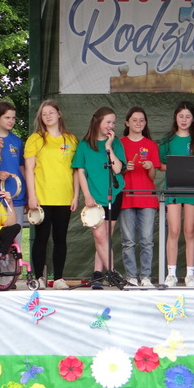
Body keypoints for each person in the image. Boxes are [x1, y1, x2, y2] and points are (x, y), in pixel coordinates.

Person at [25, 100, 79, 290]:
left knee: (60, 238)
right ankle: (39, 277)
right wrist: (32, 196)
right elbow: (29, 169)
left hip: (64, 197)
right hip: (42, 197)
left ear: (59, 114)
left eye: (51, 112)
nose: (48, 116)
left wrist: (76, 195)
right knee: (41, 238)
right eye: (44, 113)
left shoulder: (71, 140)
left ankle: (58, 278)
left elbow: (76, 170)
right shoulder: (35, 139)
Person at [73, 107, 125, 290]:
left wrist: (109, 147)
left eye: (113, 122)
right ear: (98, 122)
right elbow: (80, 171)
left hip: (113, 193)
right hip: (94, 197)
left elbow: (117, 169)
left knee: (105, 237)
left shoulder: (115, 143)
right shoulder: (84, 144)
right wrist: (86, 195)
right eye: (108, 122)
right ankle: (112, 272)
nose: (111, 126)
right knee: (99, 234)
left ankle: (97, 273)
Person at [158, 101, 194, 288]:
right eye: (181, 116)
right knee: (174, 230)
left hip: (192, 190)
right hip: (173, 189)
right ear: (175, 118)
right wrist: (177, 167)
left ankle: (190, 274)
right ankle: (171, 274)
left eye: (187, 116)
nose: (184, 120)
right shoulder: (167, 140)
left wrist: (192, 170)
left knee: (190, 231)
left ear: (193, 119)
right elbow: (160, 164)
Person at [120, 107, 161, 287]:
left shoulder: (150, 145)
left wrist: (150, 166)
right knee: (128, 241)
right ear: (127, 122)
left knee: (147, 241)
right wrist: (124, 169)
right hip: (126, 196)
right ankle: (131, 277)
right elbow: (115, 171)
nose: (138, 123)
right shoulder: (119, 144)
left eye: (142, 120)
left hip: (146, 197)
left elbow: (152, 177)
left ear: (145, 123)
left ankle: (145, 277)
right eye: (134, 120)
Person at [0, 101, 26, 247]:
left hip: (16, 196)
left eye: (13, 118)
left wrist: (28, 192)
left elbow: (21, 167)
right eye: (7, 117)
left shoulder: (16, 141)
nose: (11, 121)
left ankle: (14, 264)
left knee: (15, 240)